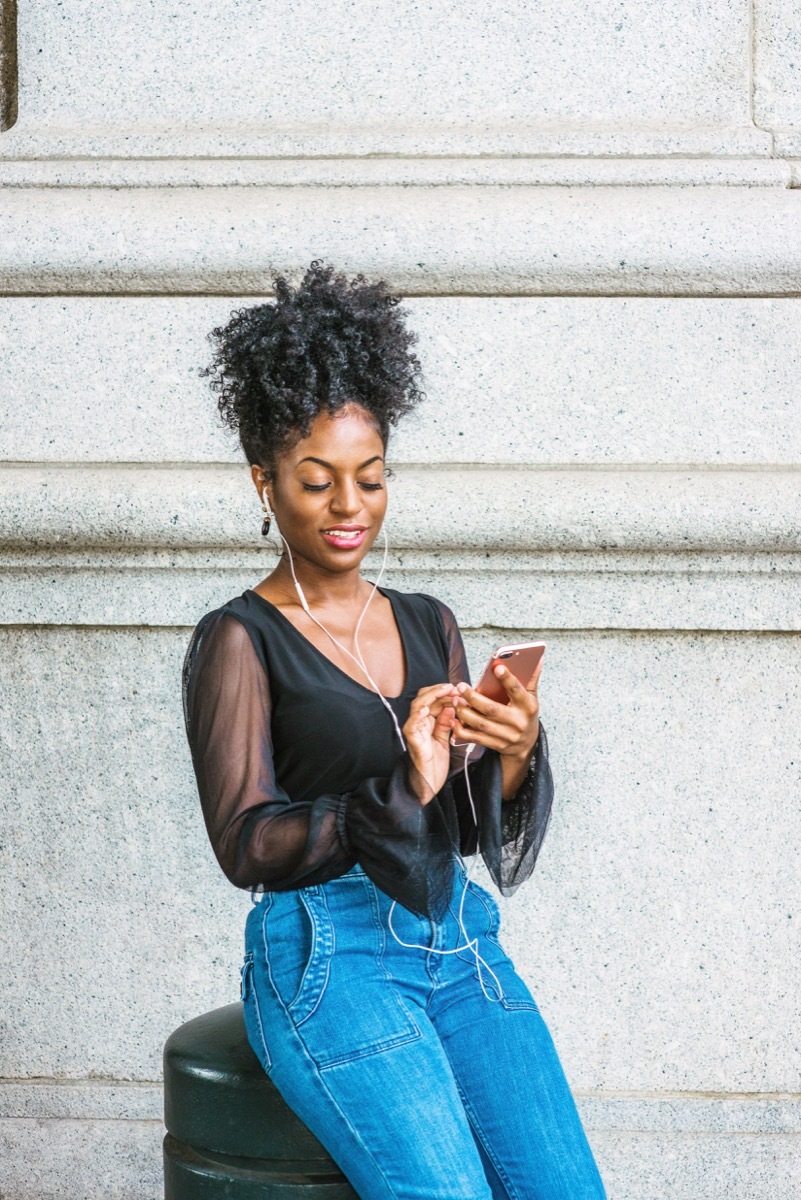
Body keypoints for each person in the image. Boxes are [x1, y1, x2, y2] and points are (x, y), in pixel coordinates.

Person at [182, 261, 607, 1200]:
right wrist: (399, 786)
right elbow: (246, 842)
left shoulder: (427, 621)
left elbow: (458, 826)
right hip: (326, 954)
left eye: (370, 481)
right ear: (263, 482)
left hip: (457, 938)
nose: (348, 509)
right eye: (316, 481)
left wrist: (511, 751)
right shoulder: (238, 640)